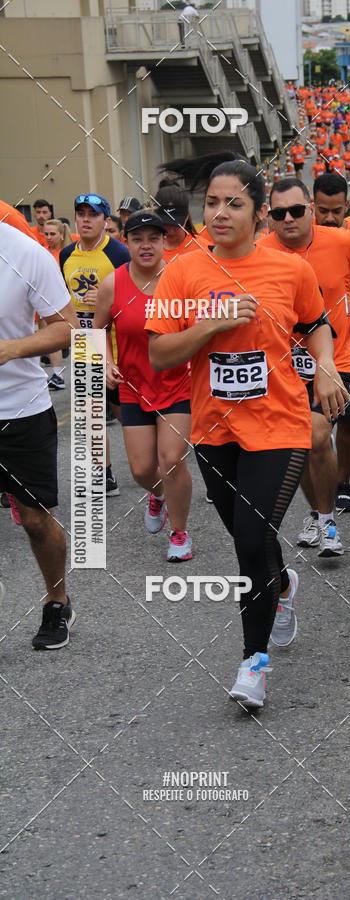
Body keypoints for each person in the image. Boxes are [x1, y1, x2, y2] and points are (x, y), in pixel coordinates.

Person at [145, 154, 347, 707]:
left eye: (234, 203)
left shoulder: (289, 269)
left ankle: (252, 664)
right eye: (212, 202)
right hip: (215, 428)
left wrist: (325, 365)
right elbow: (160, 353)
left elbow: (316, 325)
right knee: (246, 538)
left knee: (252, 539)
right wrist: (214, 322)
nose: (220, 212)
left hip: (280, 425)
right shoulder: (183, 271)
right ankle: (280, 586)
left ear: (259, 213)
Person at [261, 177, 350, 553]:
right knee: (295, 446)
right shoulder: (258, 251)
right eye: (278, 213)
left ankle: (329, 521)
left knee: (316, 434)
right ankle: (319, 516)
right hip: (280, 366)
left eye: (297, 211)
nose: (288, 219)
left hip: (333, 359)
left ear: (312, 211)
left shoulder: (345, 242)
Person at [93, 210, 193, 561]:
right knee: (140, 470)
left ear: (164, 241)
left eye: (153, 238)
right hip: (133, 385)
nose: (146, 245)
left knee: (172, 460)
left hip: (177, 383)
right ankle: (159, 495)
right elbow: (97, 329)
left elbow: (200, 327)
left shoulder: (182, 279)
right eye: (137, 239)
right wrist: (106, 360)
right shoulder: (113, 284)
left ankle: (179, 534)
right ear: (127, 243)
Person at [0, 222, 79, 648]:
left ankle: (57, 599)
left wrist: (12, 348)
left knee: (33, 519)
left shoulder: (25, 252)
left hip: (18, 408)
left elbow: (67, 327)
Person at [60, 193, 130, 493]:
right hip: (85, 344)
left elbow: (136, 295)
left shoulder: (118, 253)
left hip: (117, 344)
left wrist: (106, 298)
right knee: (90, 413)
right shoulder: (65, 255)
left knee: (124, 413)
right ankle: (105, 474)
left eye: (93, 214)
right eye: (81, 213)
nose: (86, 219)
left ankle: (150, 466)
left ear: (105, 221)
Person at [312, 173, 350, 511]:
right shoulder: (303, 241)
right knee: (315, 430)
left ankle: (343, 482)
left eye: (337, 210)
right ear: (312, 205)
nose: (331, 218)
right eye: (323, 210)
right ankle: (317, 495)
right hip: (310, 352)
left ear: (347, 206)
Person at [42, 219, 73, 390]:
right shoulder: (41, 252)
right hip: (45, 301)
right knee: (48, 335)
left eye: (52, 234)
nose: (49, 237)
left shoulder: (67, 253)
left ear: (61, 235)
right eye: (46, 234)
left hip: (68, 302)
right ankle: (57, 375)